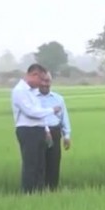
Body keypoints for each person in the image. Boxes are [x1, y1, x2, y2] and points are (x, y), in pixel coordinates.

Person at [11, 63, 61, 193]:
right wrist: (52, 110)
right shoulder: (20, 91)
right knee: (31, 165)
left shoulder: (33, 92)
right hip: (27, 130)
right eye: (41, 79)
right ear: (34, 75)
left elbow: (39, 112)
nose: (42, 83)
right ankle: (28, 193)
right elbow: (31, 112)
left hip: (39, 130)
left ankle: (39, 193)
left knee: (40, 166)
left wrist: (46, 130)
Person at [37, 72, 71, 191]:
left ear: (51, 82)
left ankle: (53, 189)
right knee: (39, 162)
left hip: (55, 131)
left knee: (54, 161)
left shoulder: (58, 98)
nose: (45, 84)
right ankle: (39, 189)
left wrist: (67, 135)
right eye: (42, 81)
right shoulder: (33, 98)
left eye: (47, 81)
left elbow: (64, 117)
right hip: (38, 132)